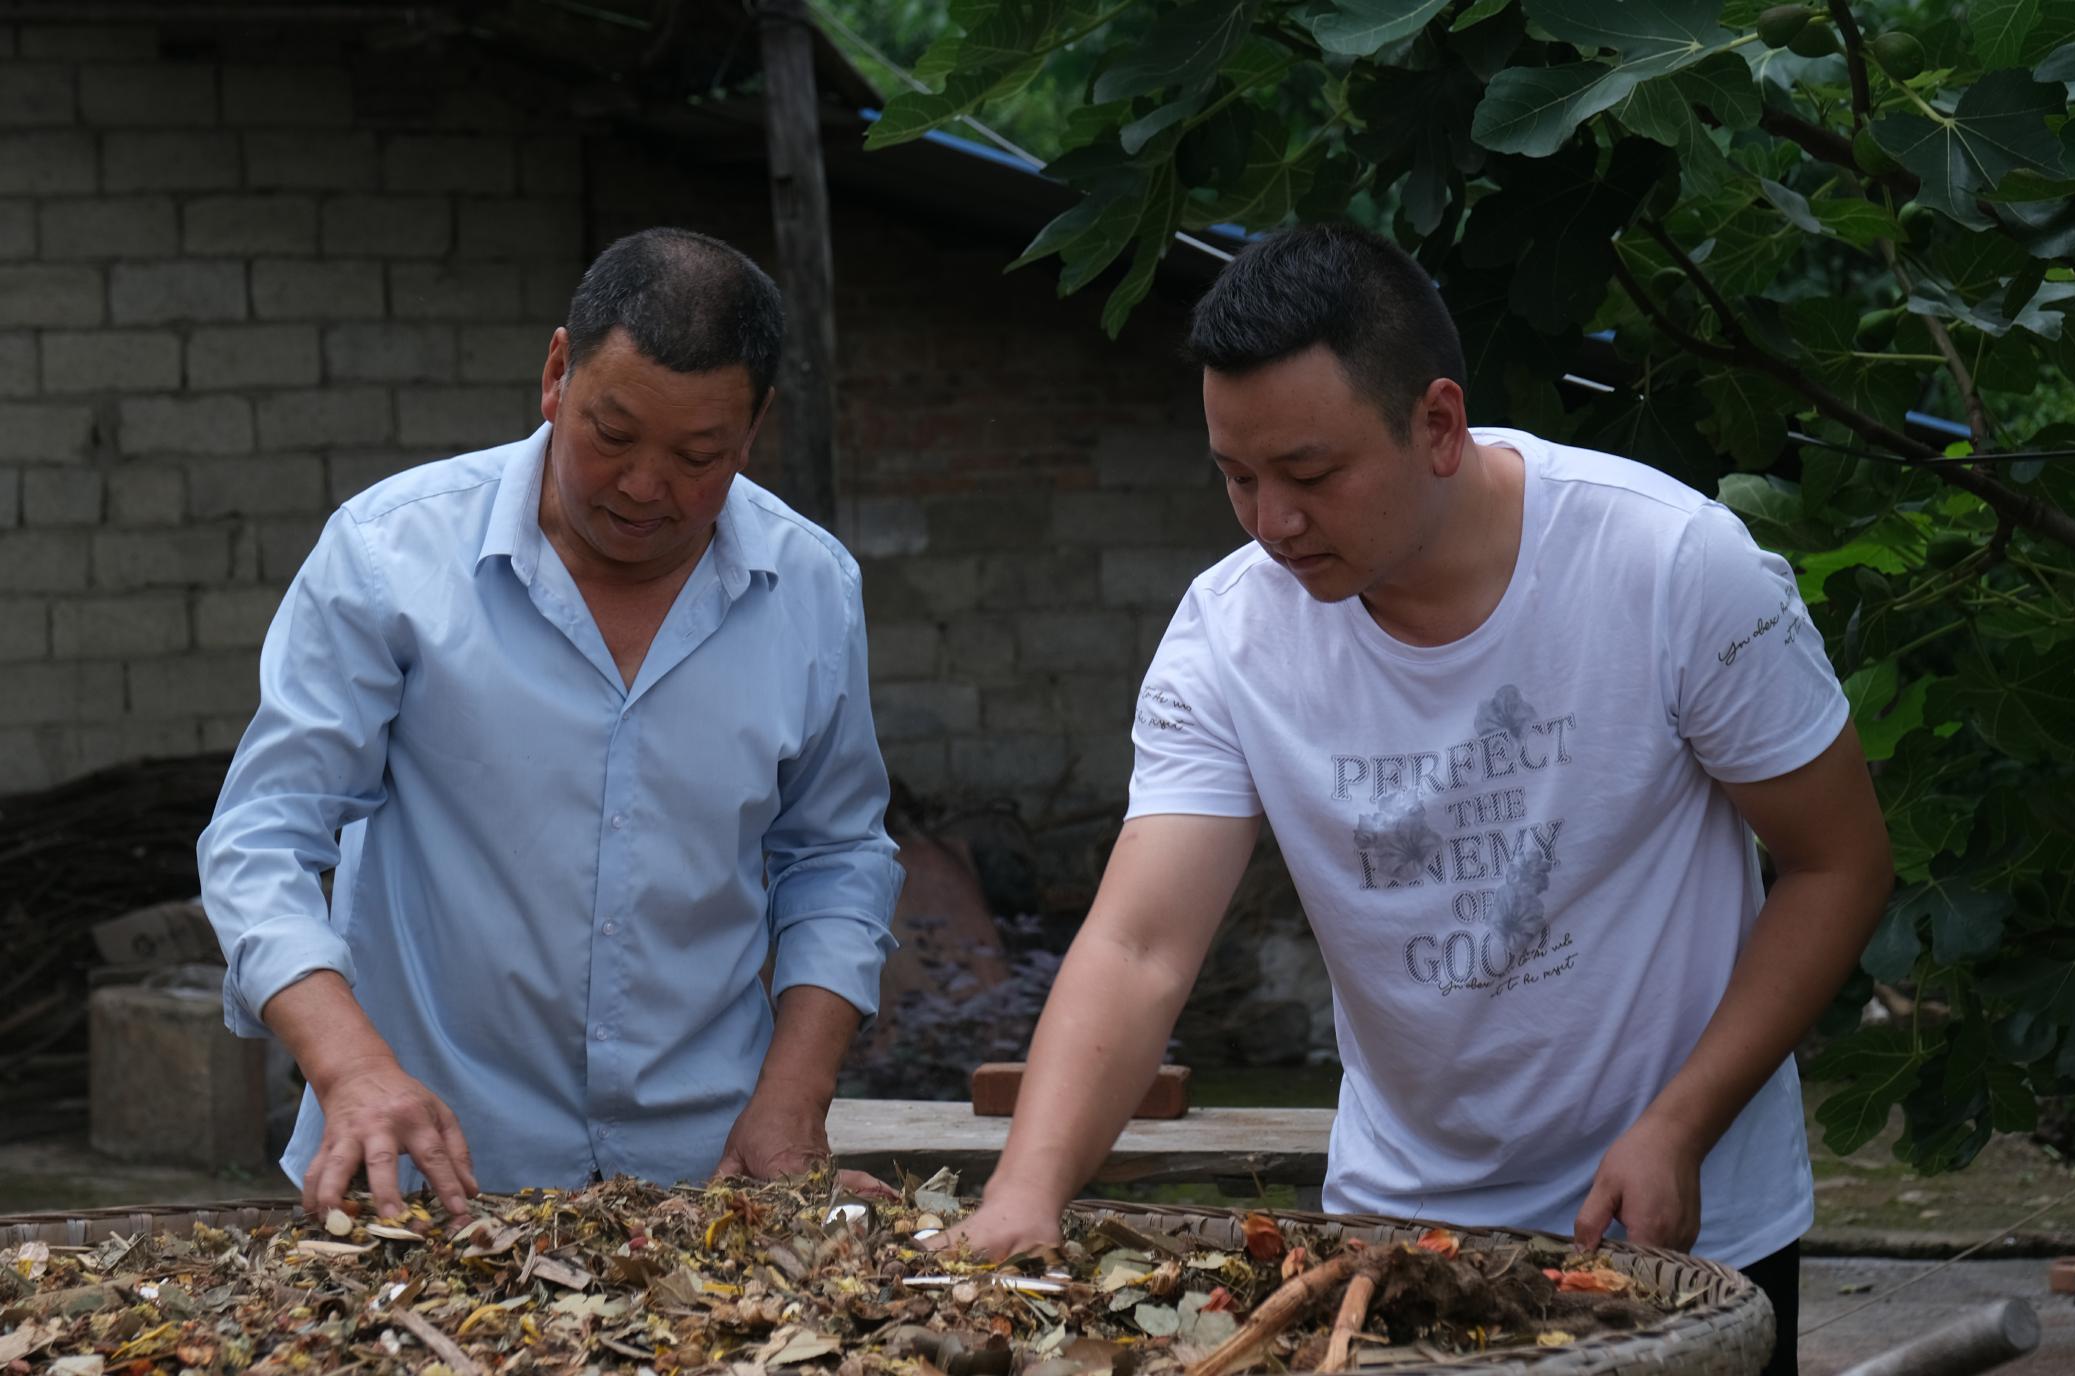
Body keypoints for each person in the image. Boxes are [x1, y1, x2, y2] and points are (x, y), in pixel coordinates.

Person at [949, 224, 1893, 1375]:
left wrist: (1681, 1120)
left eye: (1310, 475)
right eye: (1236, 476)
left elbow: (1836, 863)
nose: (1271, 521)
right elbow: (1139, 945)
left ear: (1438, 424)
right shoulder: (1226, 637)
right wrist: (1027, 1189)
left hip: (1686, 1223)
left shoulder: (1673, 564)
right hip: (1393, 1236)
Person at [198, 228, 901, 1222]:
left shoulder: (812, 587)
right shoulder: (390, 556)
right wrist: (351, 1067)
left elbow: (835, 857)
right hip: (427, 1179)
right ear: (556, 374)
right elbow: (261, 839)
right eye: (611, 434)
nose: (645, 486)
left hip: (707, 1189)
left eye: (697, 456)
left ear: (753, 430)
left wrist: (793, 1097)